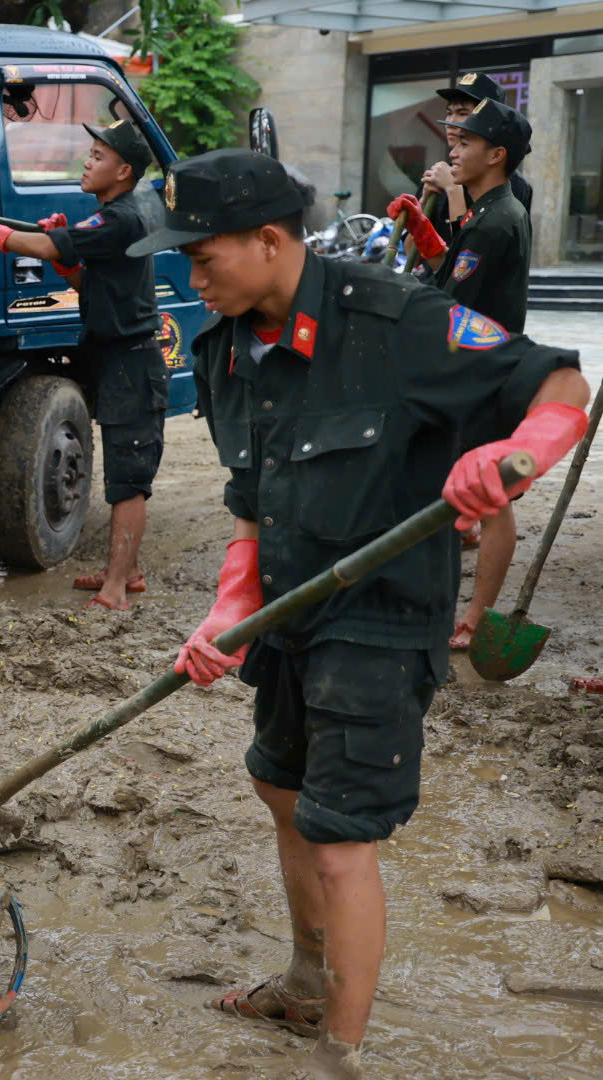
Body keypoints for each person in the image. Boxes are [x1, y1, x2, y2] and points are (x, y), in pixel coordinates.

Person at [133, 148, 588, 1079]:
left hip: (380, 620)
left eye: (201, 254)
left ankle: (339, 1056)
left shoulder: (398, 320)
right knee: (282, 794)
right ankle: (306, 986)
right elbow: (251, 507)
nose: (190, 275)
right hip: (290, 613)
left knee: (341, 840)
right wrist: (228, 610)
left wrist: (512, 458)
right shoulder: (226, 349)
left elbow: (560, 389)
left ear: (268, 240)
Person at [0, 118, 167, 609]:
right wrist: (68, 262)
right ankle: (127, 570)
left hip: (131, 364)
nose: (87, 161)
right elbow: (86, 284)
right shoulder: (116, 217)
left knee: (127, 479)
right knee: (125, 469)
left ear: (124, 171)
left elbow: (49, 244)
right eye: (90, 152)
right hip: (118, 358)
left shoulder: (120, 218)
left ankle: (117, 588)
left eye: (98, 156)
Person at [389, 97, 536, 650]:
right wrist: (427, 236)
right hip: (467, 376)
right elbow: (451, 271)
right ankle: (437, 599)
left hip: (487, 378)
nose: (454, 149)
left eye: (466, 142)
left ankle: (475, 614)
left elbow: (451, 303)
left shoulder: (498, 219)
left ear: (496, 155)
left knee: (491, 501)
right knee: (450, 492)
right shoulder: (480, 212)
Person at [415, 72, 533, 251]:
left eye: (463, 113)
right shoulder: (438, 173)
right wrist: (422, 204)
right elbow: (412, 254)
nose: (451, 122)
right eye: (449, 113)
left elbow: (469, 256)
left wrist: (452, 189)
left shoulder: (509, 184)